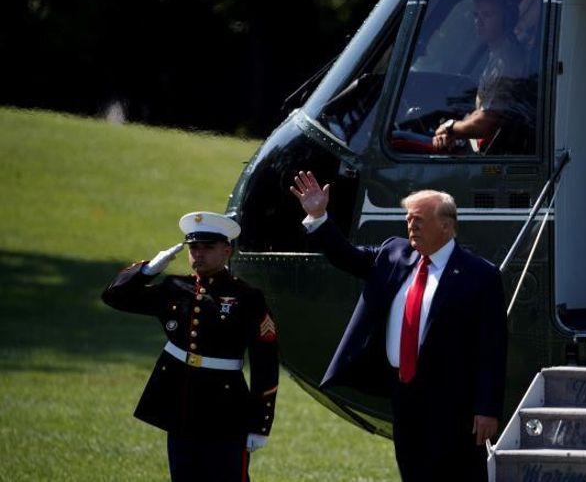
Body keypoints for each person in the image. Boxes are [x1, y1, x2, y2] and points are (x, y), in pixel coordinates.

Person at [290, 171, 507, 482]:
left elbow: (492, 348)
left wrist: (487, 408)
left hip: (453, 400)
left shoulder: (479, 275)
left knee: (459, 474)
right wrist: (319, 216)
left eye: (419, 219)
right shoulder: (394, 254)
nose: (411, 225)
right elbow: (346, 257)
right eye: (408, 219)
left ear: (445, 225)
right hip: (404, 393)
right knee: (413, 471)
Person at [101, 212, 279, 482]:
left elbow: (265, 363)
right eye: (194, 248)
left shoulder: (247, 297)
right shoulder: (175, 287)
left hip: (226, 411)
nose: (199, 254)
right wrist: (148, 270)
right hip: (180, 405)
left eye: (208, 248)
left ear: (226, 251)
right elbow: (115, 297)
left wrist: (260, 425)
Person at [433, 0, 529, 154]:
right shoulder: (498, 53)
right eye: (476, 15)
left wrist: (450, 127)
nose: (478, 21)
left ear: (506, 18)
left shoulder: (506, 61)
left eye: (487, 15)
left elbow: (486, 122)